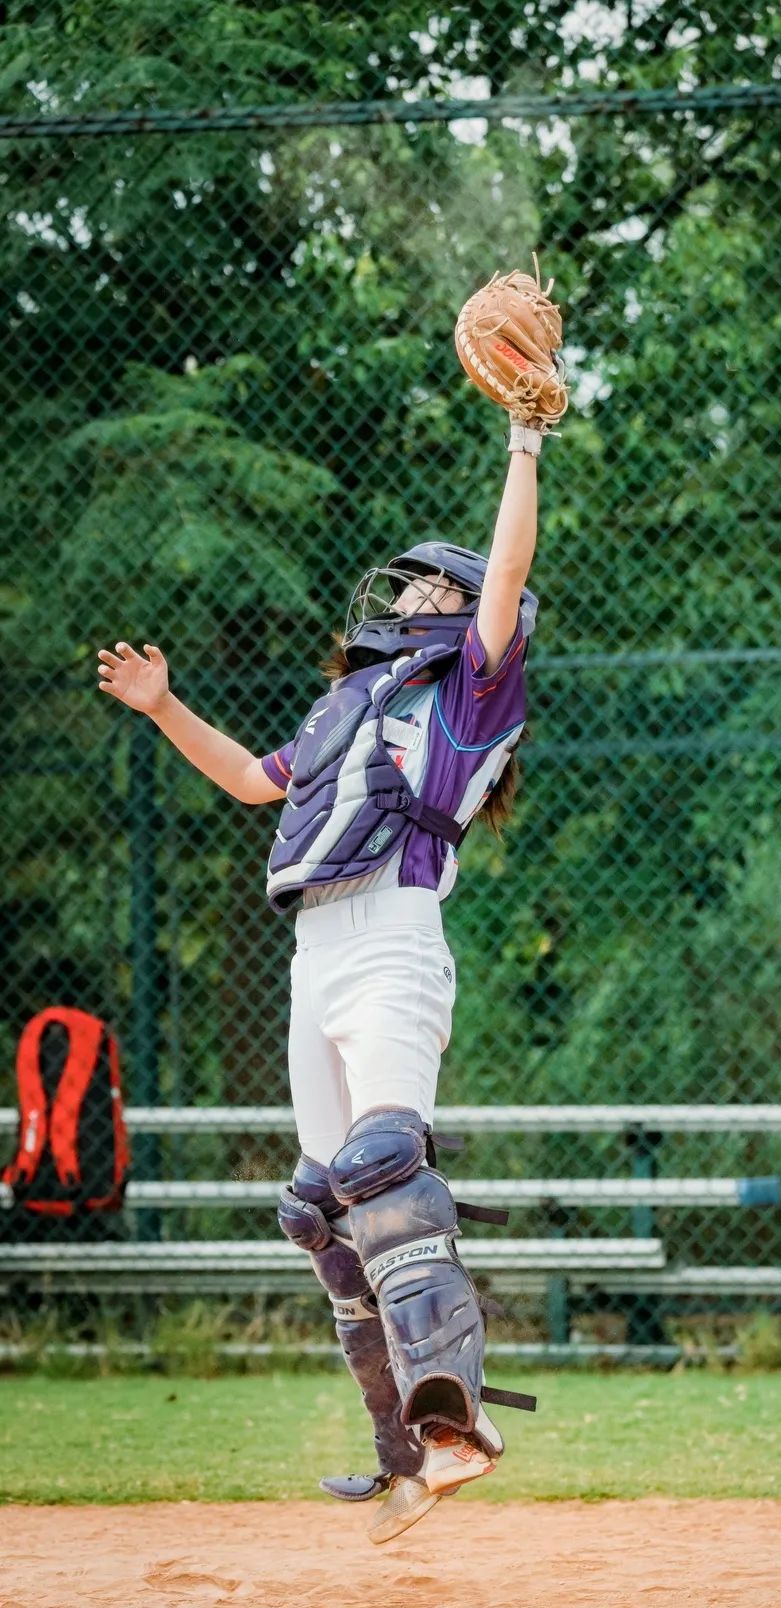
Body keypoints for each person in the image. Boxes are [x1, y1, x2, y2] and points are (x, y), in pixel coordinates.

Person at [97, 424, 548, 1542]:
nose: (405, 595)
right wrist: (162, 708)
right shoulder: (351, 703)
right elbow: (256, 780)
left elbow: (507, 575)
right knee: (318, 1203)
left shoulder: (467, 693)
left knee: (383, 1162)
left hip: (394, 935)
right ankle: (405, 1455)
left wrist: (523, 443)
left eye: (424, 586)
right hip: (317, 955)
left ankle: (460, 1424)